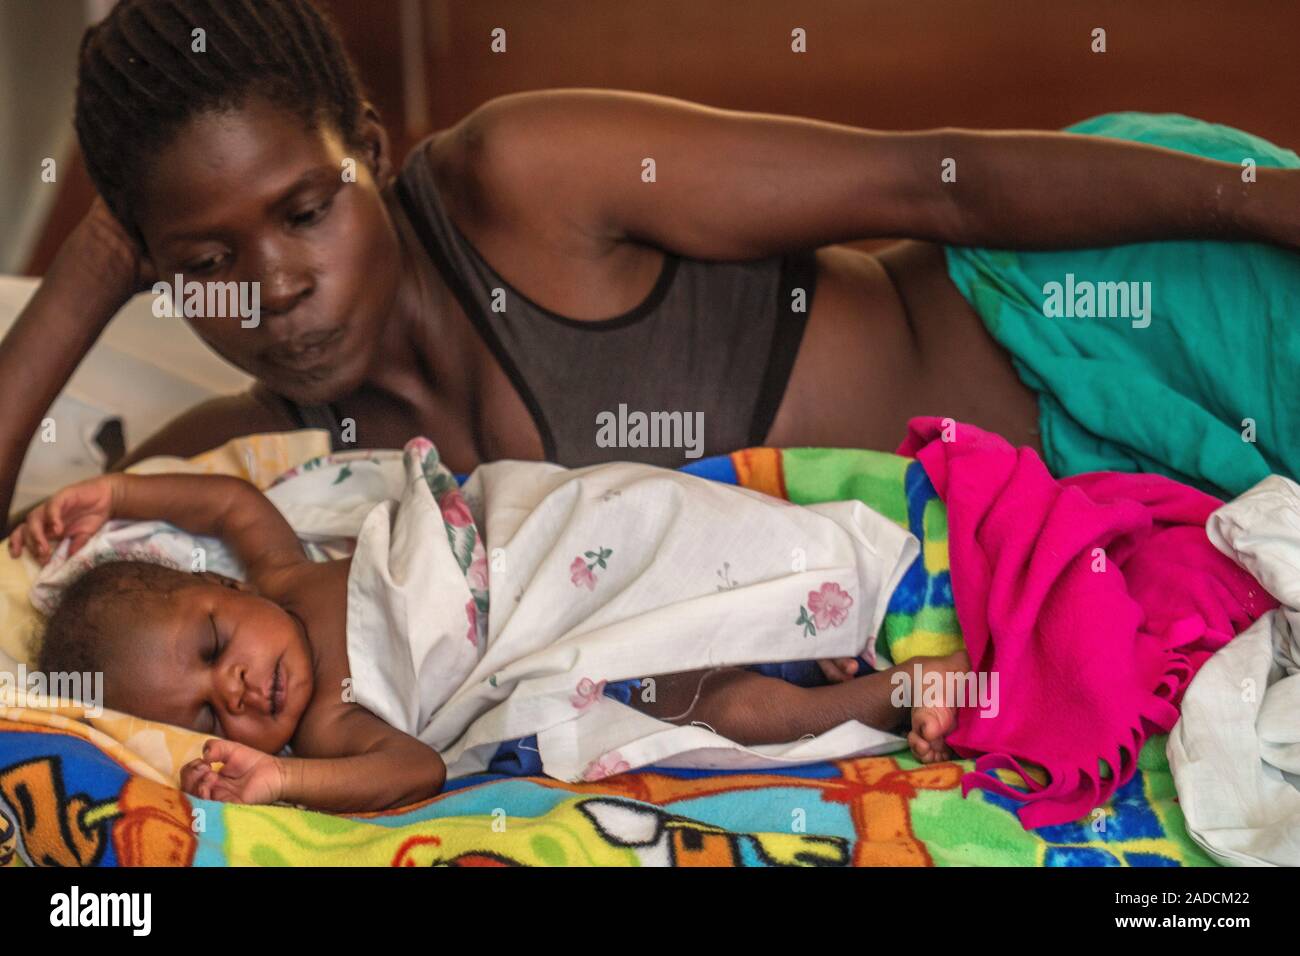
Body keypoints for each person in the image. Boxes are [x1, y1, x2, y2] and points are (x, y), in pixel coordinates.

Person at [3, 0, 1298, 529]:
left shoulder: (524, 181)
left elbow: (930, 176)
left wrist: (1266, 203)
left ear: (375, 153)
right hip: (1083, 530)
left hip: (1116, 320)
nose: (275, 285)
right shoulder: (261, 454)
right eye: (207, 261)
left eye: (303, 211)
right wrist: (96, 259)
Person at [13, 455, 966, 813]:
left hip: (546, 560)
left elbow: (224, 498)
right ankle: (893, 694)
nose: (241, 689)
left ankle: (817, 599)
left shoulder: (282, 568)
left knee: (653, 523)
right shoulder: (331, 731)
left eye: (216, 646)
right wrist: (286, 777)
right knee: (719, 712)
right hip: (573, 668)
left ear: (216, 587)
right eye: (210, 713)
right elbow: (417, 775)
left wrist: (116, 491)